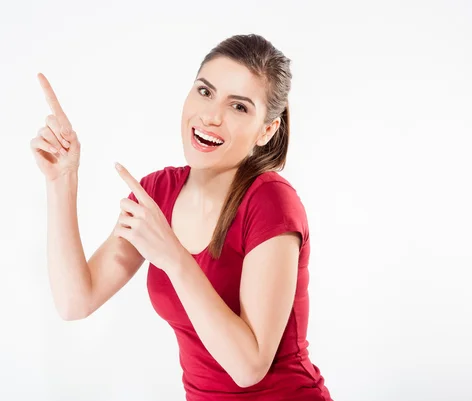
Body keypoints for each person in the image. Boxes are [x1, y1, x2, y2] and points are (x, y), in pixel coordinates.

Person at [30, 33, 333, 401]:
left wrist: (174, 257)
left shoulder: (271, 202)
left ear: (266, 130)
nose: (211, 116)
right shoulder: (157, 193)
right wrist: (63, 181)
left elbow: (248, 367)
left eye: (239, 107)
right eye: (205, 92)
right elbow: (76, 300)